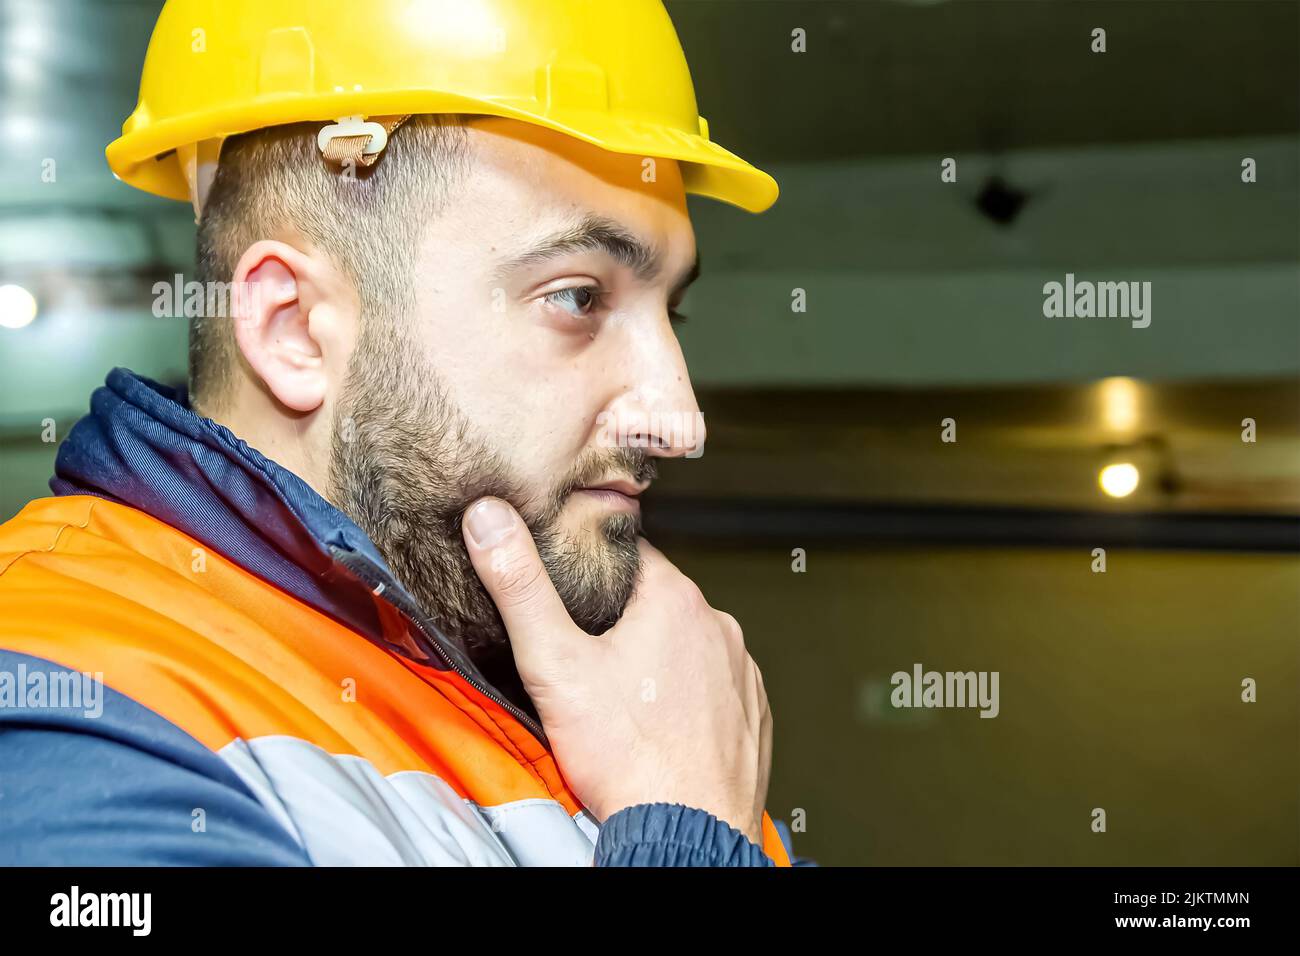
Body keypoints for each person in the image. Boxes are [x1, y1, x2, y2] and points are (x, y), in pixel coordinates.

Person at [0, 0, 793, 866]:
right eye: (578, 297)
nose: (678, 417)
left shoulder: (640, 724)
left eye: (670, 311)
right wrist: (688, 839)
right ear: (294, 327)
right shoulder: (68, 710)